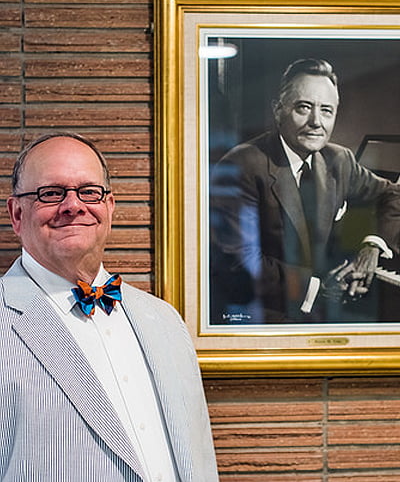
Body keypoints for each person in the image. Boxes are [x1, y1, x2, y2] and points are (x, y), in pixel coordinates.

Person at [0, 133, 219, 481]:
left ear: (110, 207)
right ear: (16, 214)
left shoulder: (163, 320)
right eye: (51, 193)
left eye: (89, 192)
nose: (73, 205)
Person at [210, 58, 400, 324]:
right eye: (304, 107)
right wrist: (318, 289)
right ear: (278, 110)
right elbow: (238, 263)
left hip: (325, 312)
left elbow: (392, 195)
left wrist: (372, 245)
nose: (316, 122)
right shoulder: (241, 164)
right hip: (262, 316)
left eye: (326, 111)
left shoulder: (339, 159)